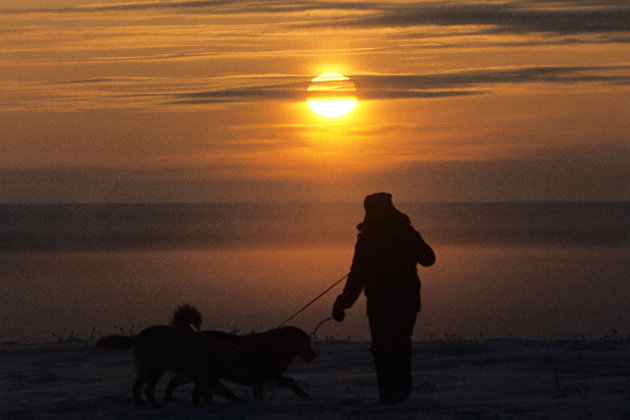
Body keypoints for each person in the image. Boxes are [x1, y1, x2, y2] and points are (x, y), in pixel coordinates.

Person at [332, 192, 435, 404]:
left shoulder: (377, 237)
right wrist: (343, 303)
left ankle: (392, 395)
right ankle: (395, 394)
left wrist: (343, 303)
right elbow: (357, 275)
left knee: (385, 348)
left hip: (387, 301)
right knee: (396, 346)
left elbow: (428, 259)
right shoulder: (394, 234)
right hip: (399, 300)